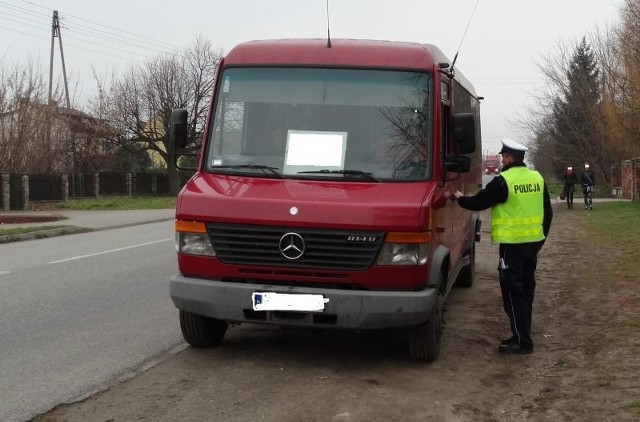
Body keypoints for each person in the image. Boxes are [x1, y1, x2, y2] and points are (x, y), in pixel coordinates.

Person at [445, 138, 553, 355]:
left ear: (509, 158)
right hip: (532, 246)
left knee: (512, 292)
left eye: (503, 157)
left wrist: (458, 198)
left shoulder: (504, 181)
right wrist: (540, 241)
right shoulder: (537, 178)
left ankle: (523, 341)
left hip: (512, 247)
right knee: (526, 290)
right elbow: (548, 213)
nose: (502, 160)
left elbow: (480, 202)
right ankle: (521, 334)